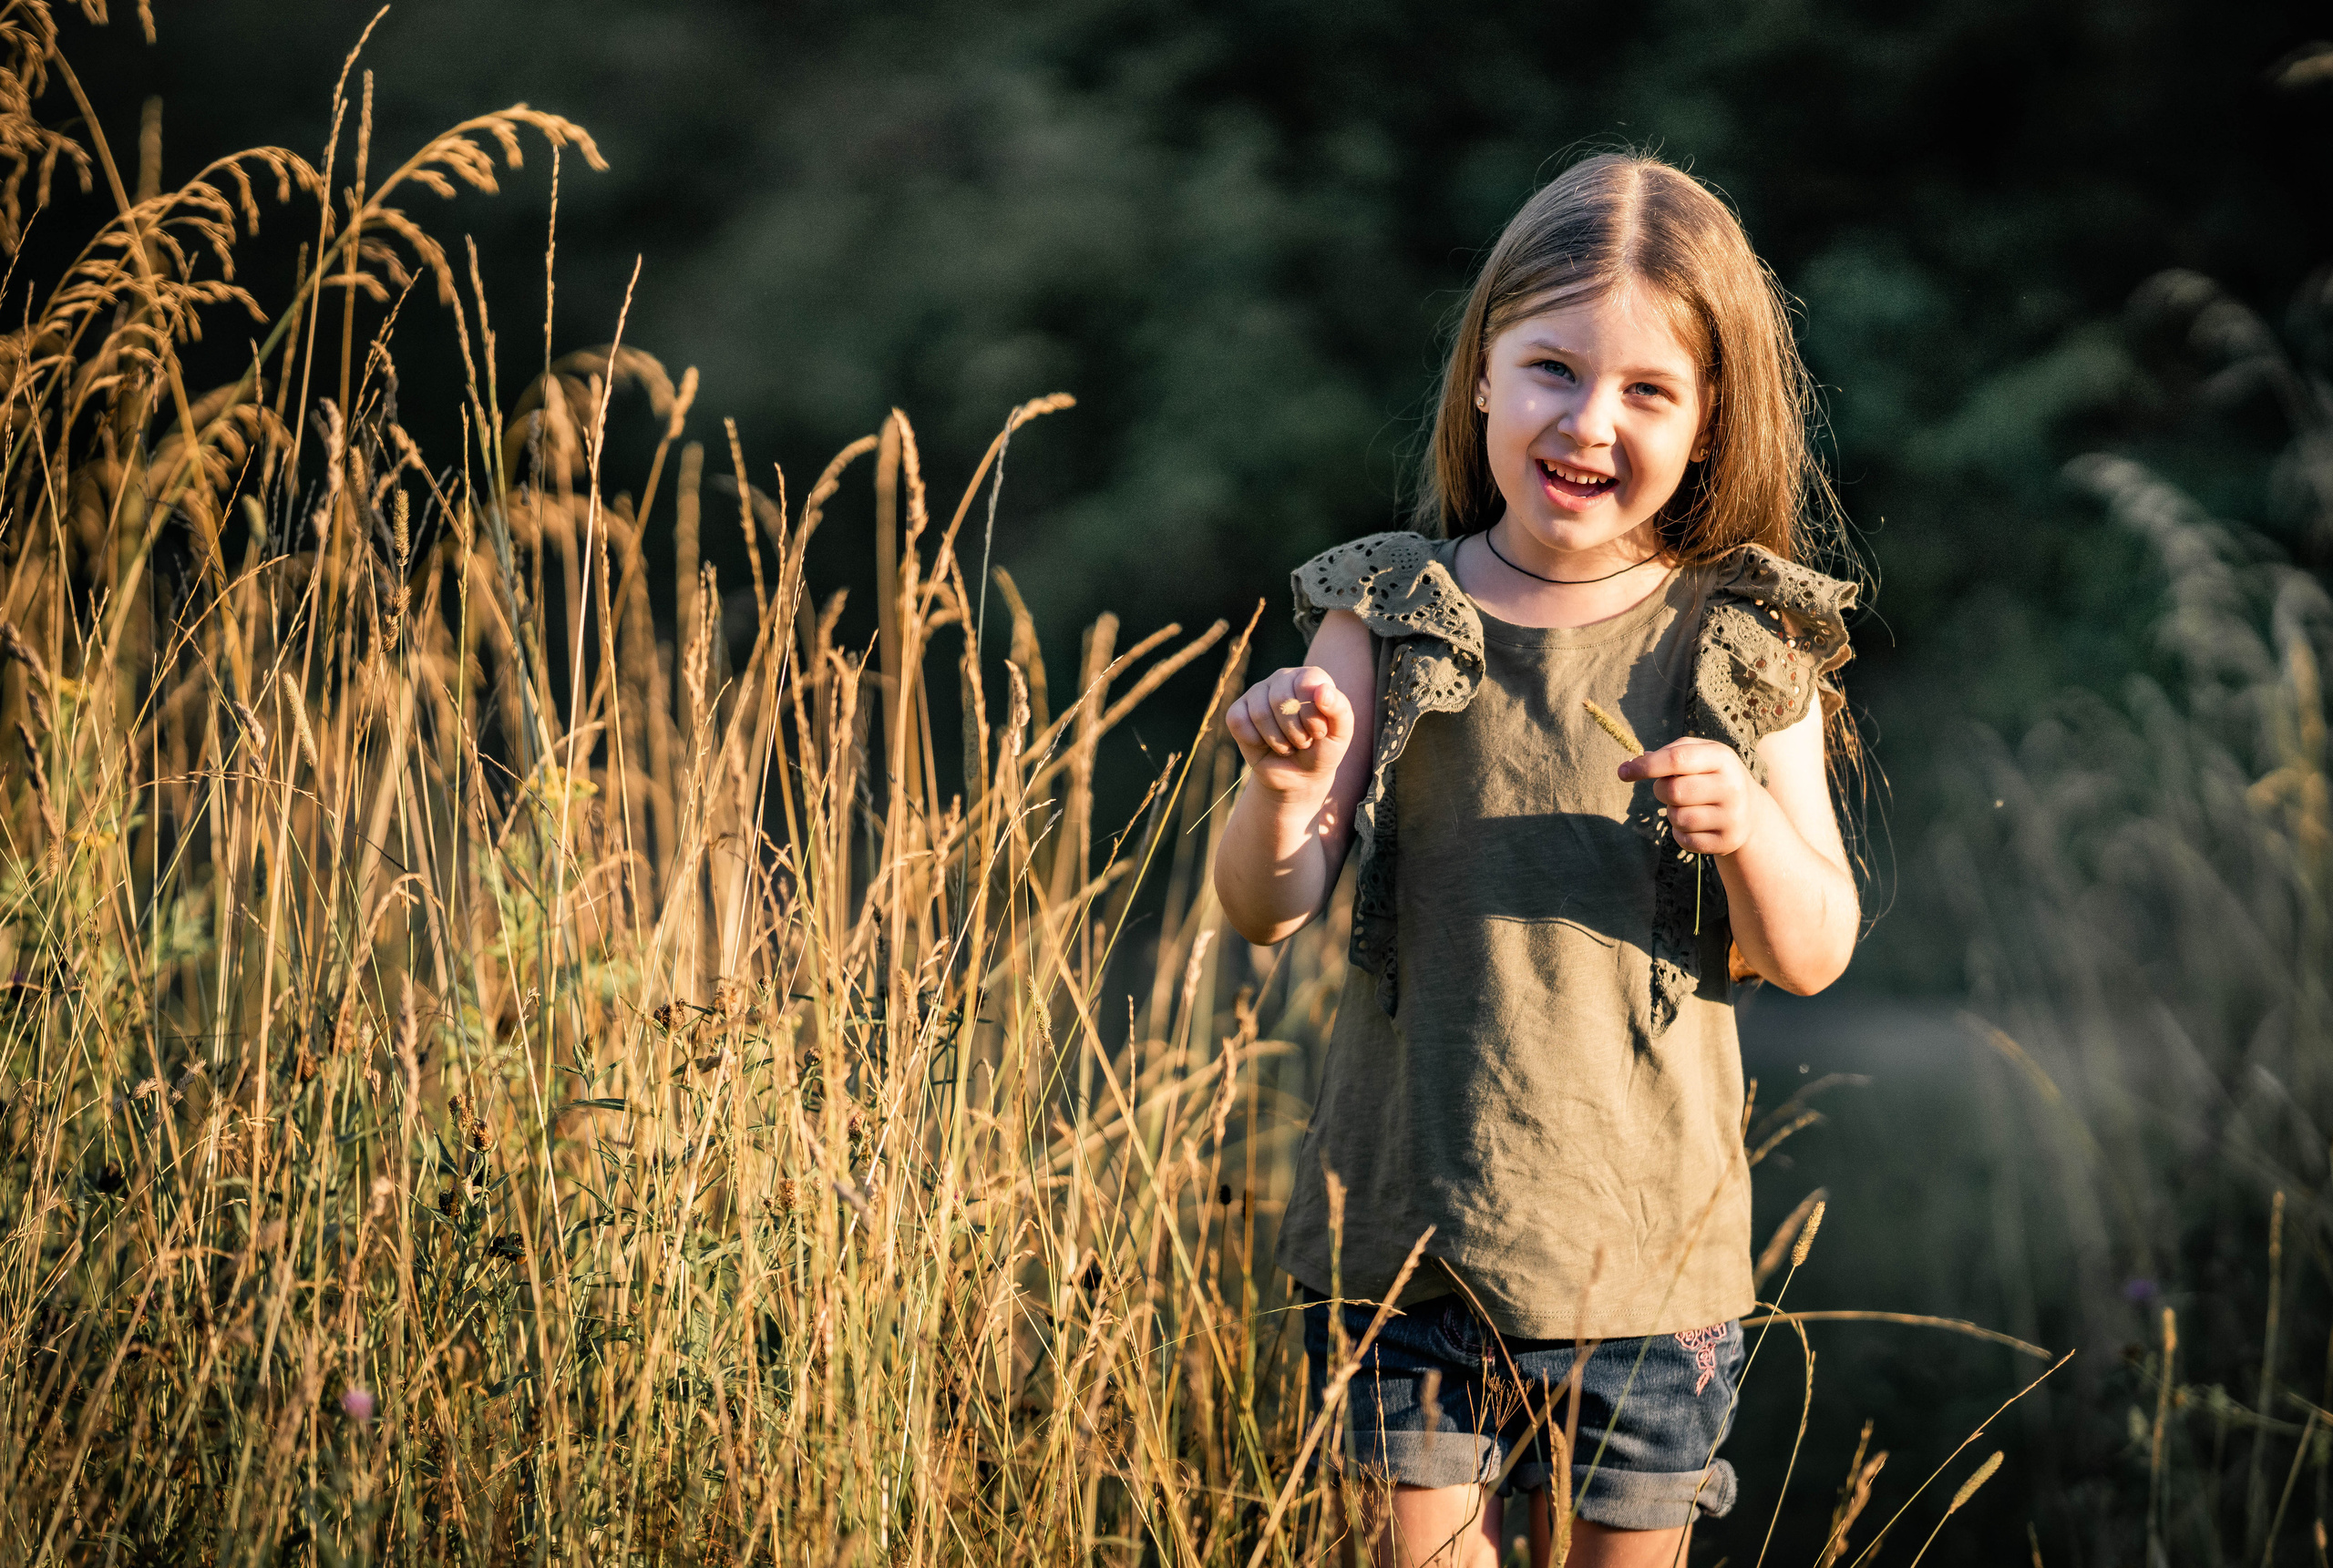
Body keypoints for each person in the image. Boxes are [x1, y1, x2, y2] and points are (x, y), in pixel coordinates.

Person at [1213, 152, 1862, 1568]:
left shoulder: (1740, 642)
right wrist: (1277, 784)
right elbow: (1270, 904)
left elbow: (1813, 948)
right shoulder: (1388, 612)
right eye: (1553, 368)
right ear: (1486, 379)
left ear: (1709, 421)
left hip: (1646, 1267)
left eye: (1647, 391)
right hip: (1404, 1245)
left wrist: (1748, 827)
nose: (1589, 419)